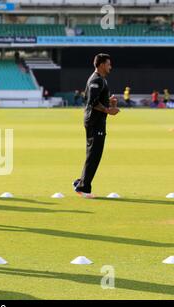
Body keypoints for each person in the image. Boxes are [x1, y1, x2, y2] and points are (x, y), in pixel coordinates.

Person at [73, 53, 119, 198]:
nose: (110, 67)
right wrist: (108, 110)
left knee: (93, 154)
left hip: (96, 121)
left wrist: (109, 102)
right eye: (108, 64)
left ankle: (81, 182)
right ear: (101, 65)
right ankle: (84, 188)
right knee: (94, 155)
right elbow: (92, 102)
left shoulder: (101, 80)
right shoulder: (97, 80)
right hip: (94, 121)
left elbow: (96, 99)